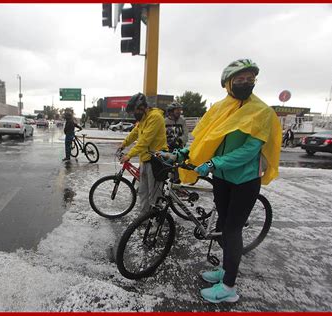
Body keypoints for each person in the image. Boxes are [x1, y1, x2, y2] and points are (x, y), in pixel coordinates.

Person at [165, 59, 281, 303]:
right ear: (228, 83)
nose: (245, 83)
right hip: (221, 179)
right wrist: (185, 153)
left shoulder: (261, 111)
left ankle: (228, 288)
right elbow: (204, 139)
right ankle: (227, 269)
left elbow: (251, 149)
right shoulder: (219, 108)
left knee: (232, 229)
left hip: (244, 180)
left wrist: (215, 163)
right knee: (223, 228)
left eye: (250, 79)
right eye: (239, 80)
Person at [118, 93, 168, 215]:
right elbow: (134, 133)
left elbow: (145, 141)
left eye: (135, 111)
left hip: (156, 161)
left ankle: (156, 222)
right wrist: (123, 144)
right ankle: (144, 218)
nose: (134, 114)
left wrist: (129, 155)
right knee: (143, 191)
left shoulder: (155, 117)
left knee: (154, 195)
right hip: (145, 159)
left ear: (142, 107)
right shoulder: (143, 119)